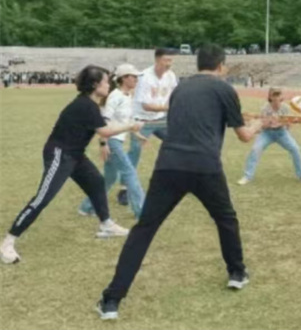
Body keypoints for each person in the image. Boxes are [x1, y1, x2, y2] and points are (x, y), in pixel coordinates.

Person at [96, 43, 264, 321]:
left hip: (169, 166)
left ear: (199, 64)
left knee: (144, 230)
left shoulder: (180, 89)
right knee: (226, 219)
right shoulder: (225, 89)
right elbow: (244, 135)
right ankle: (236, 272)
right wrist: (260, 123)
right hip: (205, 167)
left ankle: (111, 300)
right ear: (221, 66)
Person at [0, 65, 142, 265]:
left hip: (75, 154)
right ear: (94, 84)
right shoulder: (86, 105)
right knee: (43, 198)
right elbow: (105, 131)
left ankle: (106, 224)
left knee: (96, 182)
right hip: (60, 154)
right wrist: (131, 126)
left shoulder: (90, 104)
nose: (108, 84)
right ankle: (7, 242)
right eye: (105, 81)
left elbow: (104, 127)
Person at [78, 64, 146, 220]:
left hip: (117, 140)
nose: (136, 79)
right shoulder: (115, 96)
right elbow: (105, 122)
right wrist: (104, 143)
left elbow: (126, 121)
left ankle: (86, 207)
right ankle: (141, 212)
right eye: (134, 76)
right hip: (112, 141)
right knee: (129, 173)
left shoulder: (128, 96)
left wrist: (137, 134)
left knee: (109, 178)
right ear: (124, 78)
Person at [117, 48, 178, 206]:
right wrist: (169, 108)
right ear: (157, 60)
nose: (169, 63)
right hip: (142, 121)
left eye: (171, 60)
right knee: (135, 152)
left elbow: (173, 96)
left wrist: (173, 107)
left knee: (177, 144)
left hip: (161, 120)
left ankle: (175, 179)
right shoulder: (144, 77)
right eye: (166, 60)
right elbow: (146, 105)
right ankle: (124, 188)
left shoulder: (171, 76)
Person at [237, 87, 301, 186]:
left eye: (278, 95)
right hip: (267, 133)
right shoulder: (265, 109)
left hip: (282, 133)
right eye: (274, 95)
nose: (276, 98)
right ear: (270, 97)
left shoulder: (285, 108)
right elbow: (263, 125)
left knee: (295, 149)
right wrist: (269, 122)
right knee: (255, 149)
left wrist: (288, 122)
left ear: (281, 97)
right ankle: (247, 177)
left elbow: (288, 126)